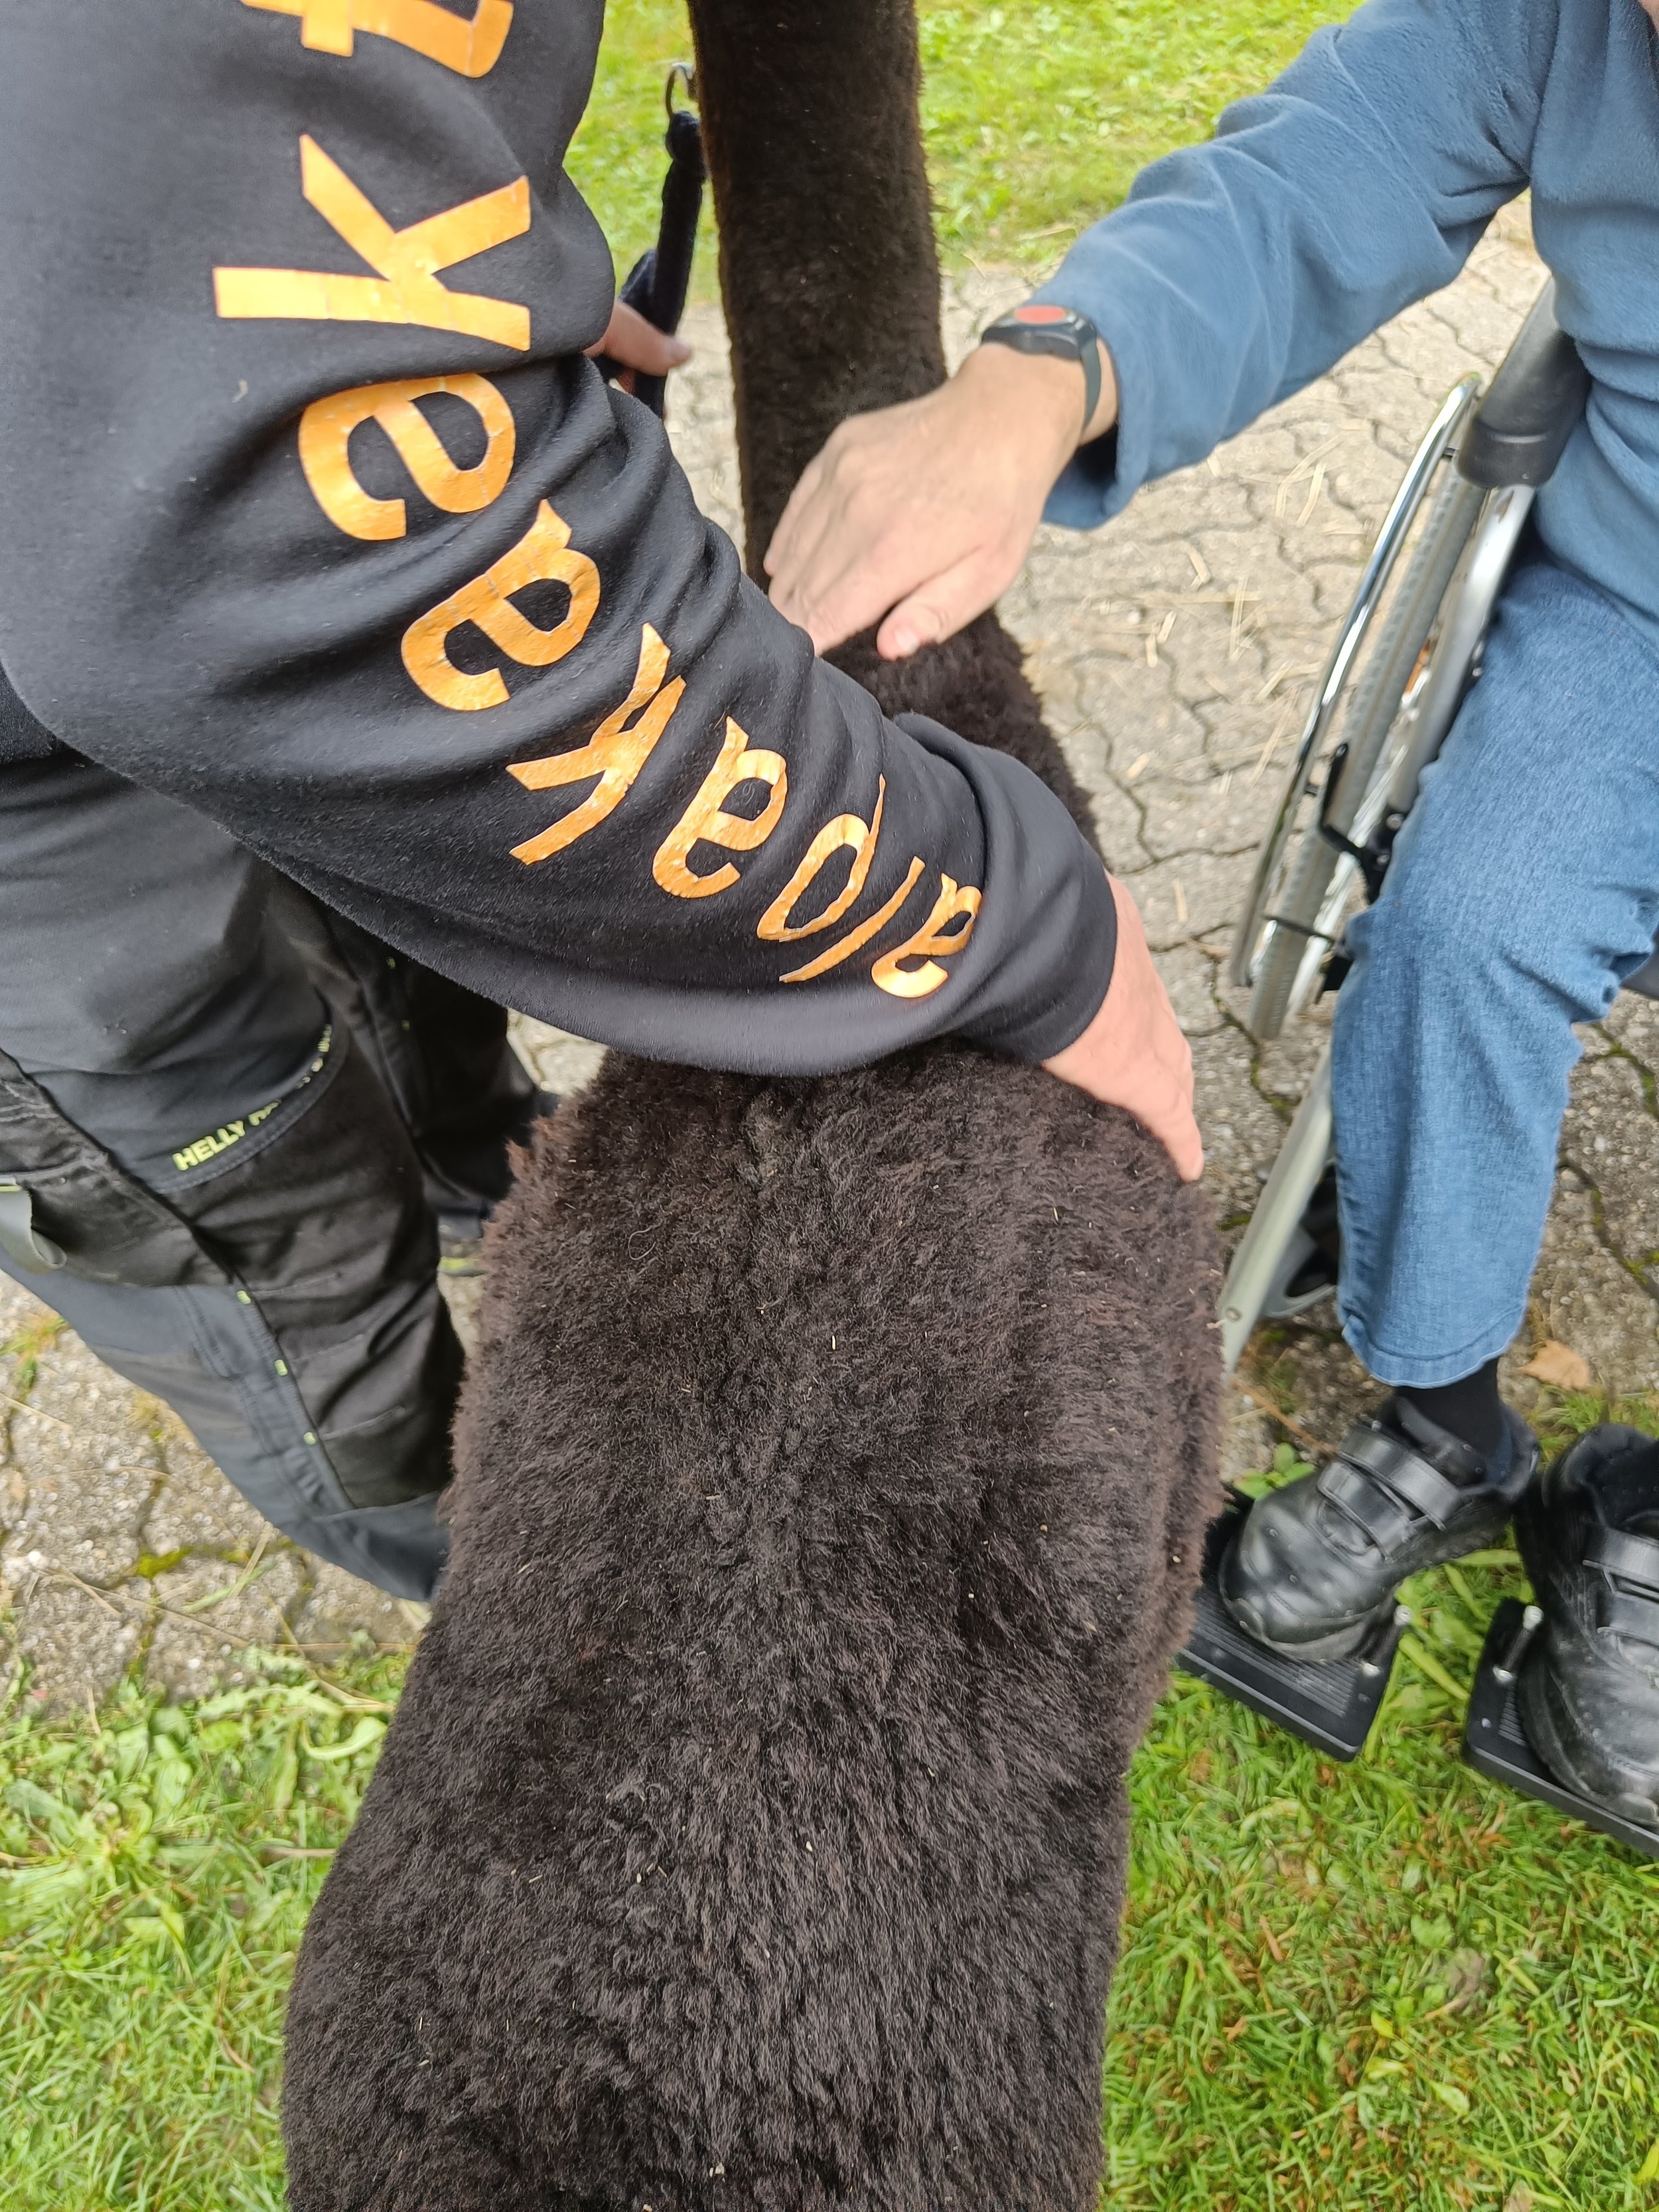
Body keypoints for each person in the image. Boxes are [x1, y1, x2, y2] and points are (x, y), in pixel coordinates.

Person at [0, 0, 1198, 1609]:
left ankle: (468, 1158)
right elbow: (249, 532)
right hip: (49, 832)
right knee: (282, 1253)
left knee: (399, 943)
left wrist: (429, 290)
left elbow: (237, 168)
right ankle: (482, 1569)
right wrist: (987, 914)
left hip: (121, 574)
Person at [766, 0, 1659, 1828]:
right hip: (1634, 616)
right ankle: (1441, 1421)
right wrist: (1036, 377)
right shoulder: (1562, 24)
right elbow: (1303, 176)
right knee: (1461, 919)